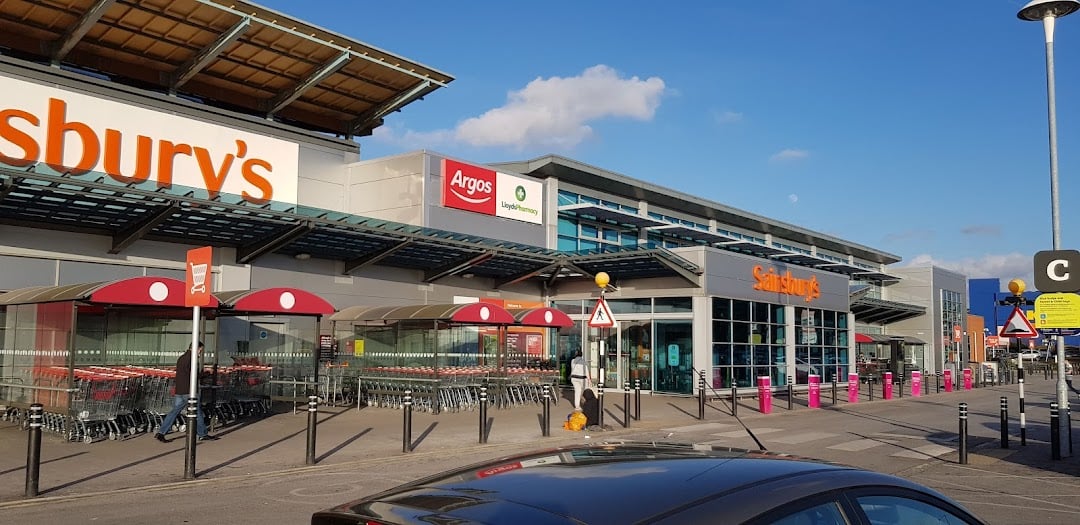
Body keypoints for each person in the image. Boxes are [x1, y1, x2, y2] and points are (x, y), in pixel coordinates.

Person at [154, 341, 218, 442]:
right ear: (196, 348)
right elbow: (193, 375)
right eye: (200, 350)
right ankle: (202, 434)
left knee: (174, 412)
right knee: (197, 412)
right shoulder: (191, 359)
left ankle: (161, 432)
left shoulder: (182, 358)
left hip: (180, 390)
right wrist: (205, 373)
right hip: (189, 390)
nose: (200, 353)